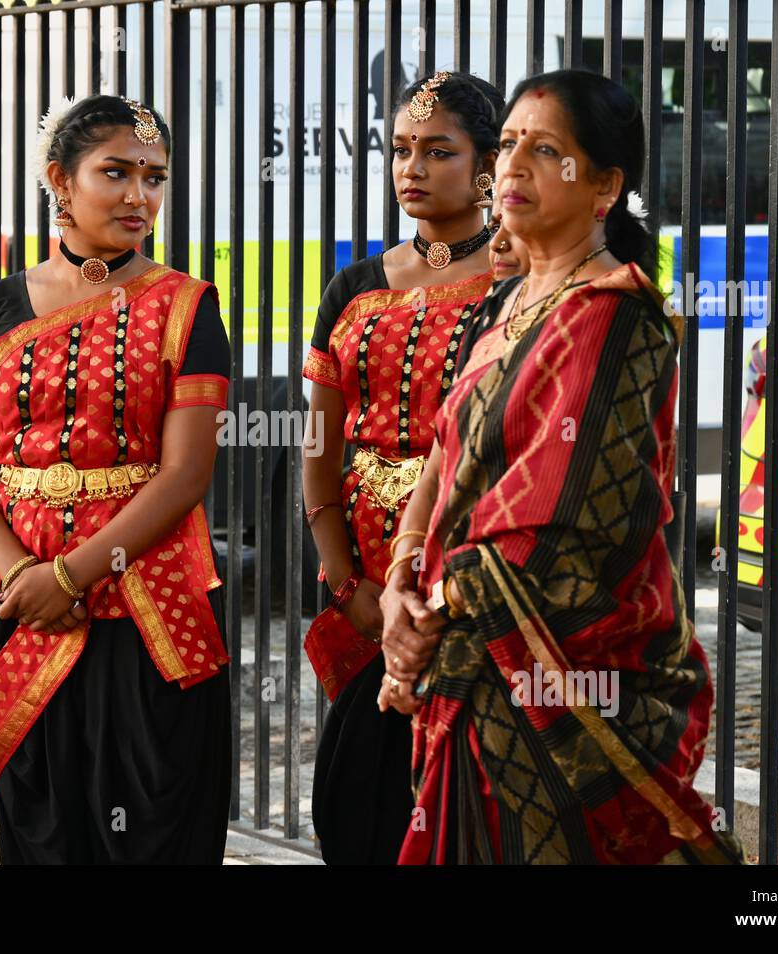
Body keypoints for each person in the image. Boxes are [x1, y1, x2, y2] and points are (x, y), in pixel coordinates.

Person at [378, 70, 746, 865]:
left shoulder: (616, 318)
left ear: (606, 185)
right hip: (469, 653)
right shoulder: (506, 304)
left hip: (572, 668)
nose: (511, 166)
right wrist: (400, 581)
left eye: (545, 151)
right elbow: (445, 453)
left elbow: (559, 520)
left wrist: (432, 607)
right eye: (507, 144)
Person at [0, 94, 232, 864]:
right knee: (42, 820)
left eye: (154, 176)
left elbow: (185, 472)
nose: (140, 195)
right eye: (116, 172)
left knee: (155, 817)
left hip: (147, 601)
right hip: (17, 600)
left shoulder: (188, 307)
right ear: (60, 181)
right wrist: (24, 574)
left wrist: (69, 574)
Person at [303, 71, 504, 864]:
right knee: (361, 801)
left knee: (466, 798)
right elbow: (320, 447)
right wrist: (347, 586)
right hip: (361, 580)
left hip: (470, 577)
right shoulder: (353, 287)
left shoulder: (518, 286)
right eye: (400, 150)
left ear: (489, 166)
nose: (410, 168)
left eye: (438, 151)